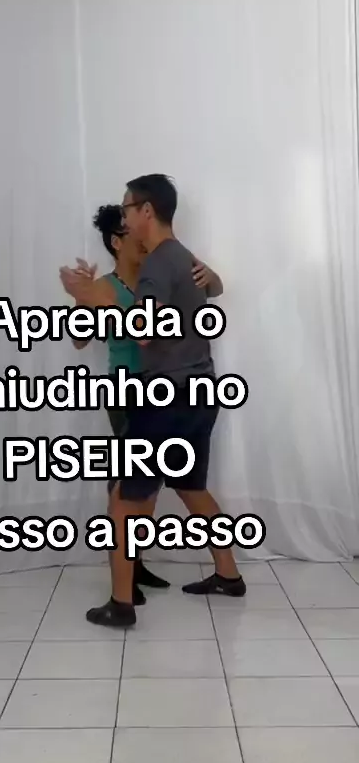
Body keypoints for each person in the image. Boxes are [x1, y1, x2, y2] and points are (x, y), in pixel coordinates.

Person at [85, 175, 246, 629]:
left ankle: (120, 605)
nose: (124, 217)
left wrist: (95, 303)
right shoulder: (184, 257)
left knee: (124, 500)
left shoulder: (157, 264)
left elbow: (146, 331)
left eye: (126, 208)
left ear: (146, 211)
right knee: (191, 487)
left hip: (166, 398)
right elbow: (206, 292)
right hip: (201, 391)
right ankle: (229, 575)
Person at [60, 203, 224, 608]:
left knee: (149, 489)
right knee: (128, 490)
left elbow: (214, 288)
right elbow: (79, 340)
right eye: (130, 233)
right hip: (127, 393)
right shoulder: (106, 287)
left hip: (170, 393)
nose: (141, 237)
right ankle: (126, 579)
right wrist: (84, 300)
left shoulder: (163, 270)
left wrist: (213, 276)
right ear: (117, 242)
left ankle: (134, 568)